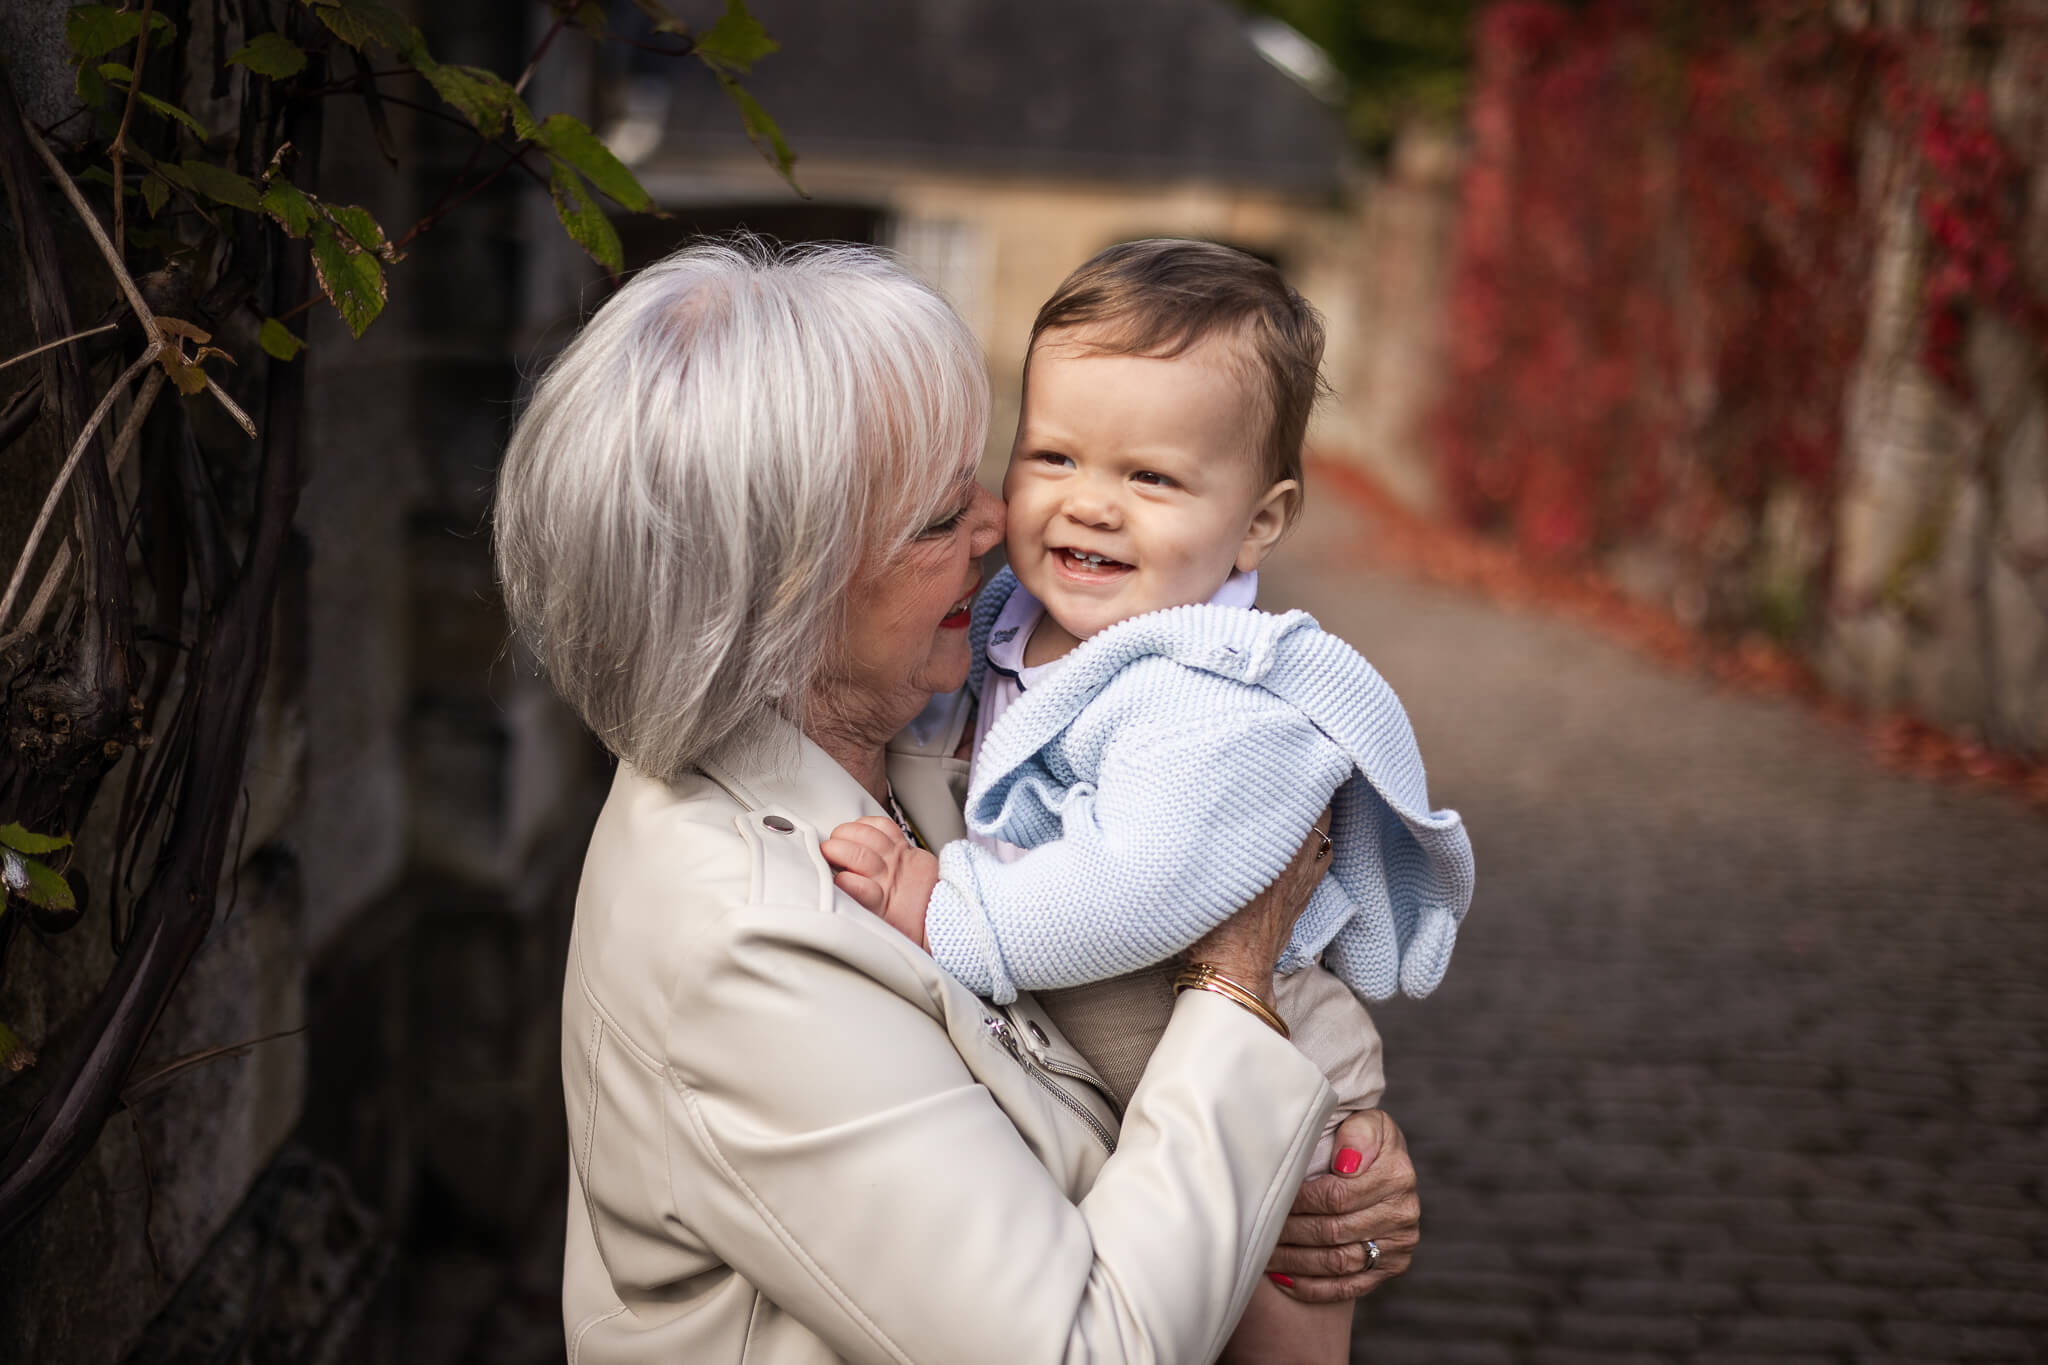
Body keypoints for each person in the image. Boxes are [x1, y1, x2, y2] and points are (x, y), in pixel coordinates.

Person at [493, 239, 1421, 1365]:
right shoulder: (737, 940)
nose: (997, 527)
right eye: (938, 520)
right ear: (778, 592)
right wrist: (1237, 999)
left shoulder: (930, 743)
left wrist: (1313, 1172)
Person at [822, 240, 1474, 1364]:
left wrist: (947, 909)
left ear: (1259, 523)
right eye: (1054, 456)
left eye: (1151, 478)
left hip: (1268, 1055)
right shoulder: (1017, 629)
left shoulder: (1219, 702)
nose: (1090, 505)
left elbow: (1133, 889)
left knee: (1274, 1305)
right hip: (1130, 1044)